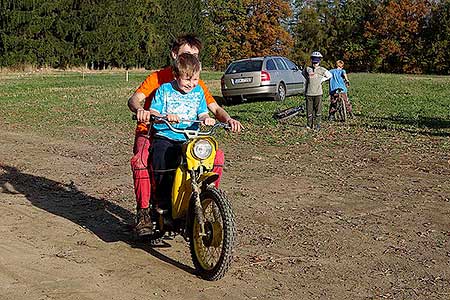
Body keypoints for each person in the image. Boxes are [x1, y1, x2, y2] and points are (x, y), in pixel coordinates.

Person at [127, 34, 243, 236]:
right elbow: (135, 99)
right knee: (142, 160)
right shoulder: (158, 80)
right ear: (175, 55)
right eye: (188, 54)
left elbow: (213, 109)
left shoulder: (197, 85)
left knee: (215, 156)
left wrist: (228, 119)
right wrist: (141, 111)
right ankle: (145, 213)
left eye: (196, 56)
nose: (192, 60)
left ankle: (204, 200)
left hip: (187, 133)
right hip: (153, 131)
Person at [149, 53, 214, 215]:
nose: (191, 84)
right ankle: (162, 201)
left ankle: (200, 197)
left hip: (190, 138)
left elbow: (202, 113)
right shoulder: (164, 90)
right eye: (187, 79)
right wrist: (164, 117)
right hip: (166, 136)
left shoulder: (198, 92)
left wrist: (206, 118)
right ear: (176, 75)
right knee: (163, 161)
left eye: (195, 79)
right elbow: (153, 111)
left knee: (202, 161)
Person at [302, 51, 332, 131]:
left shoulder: (322, 69)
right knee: (309, 110)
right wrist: (309, 79)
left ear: (319, 61)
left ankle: (317, 125)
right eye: (314, 61)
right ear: (311, 60)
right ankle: (309, 125)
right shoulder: (308, 69)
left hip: (318, 93)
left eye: (317, 62)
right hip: (309, 93)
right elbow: (303, 74)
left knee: (318, 110)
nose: (315, 64)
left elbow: (330, 75)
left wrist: (322, 79)